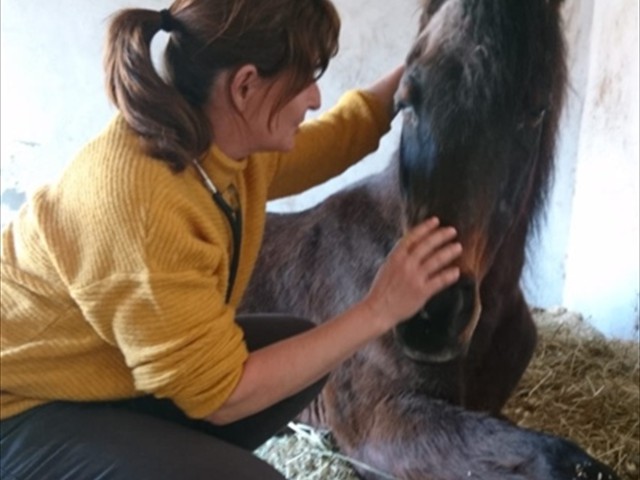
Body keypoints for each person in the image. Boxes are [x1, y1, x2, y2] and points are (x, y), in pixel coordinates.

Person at [0, 0, 462, 478]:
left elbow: (334, 137)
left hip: (97, 376)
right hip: (19, 408)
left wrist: (422, 63)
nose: (315, 98)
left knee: (299, 345)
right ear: (244, 86)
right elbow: (221, 398)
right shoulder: (140, 206)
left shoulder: (212, 140)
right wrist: (378, 308)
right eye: (304, 80)